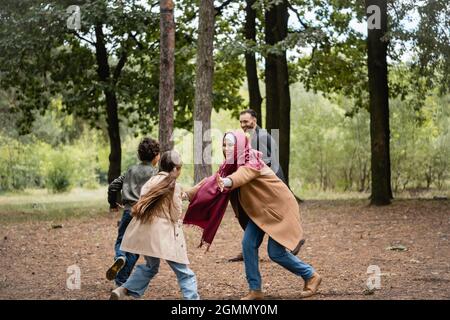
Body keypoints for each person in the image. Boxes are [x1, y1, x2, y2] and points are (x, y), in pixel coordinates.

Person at [185, 130, 321, 300]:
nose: (226, 148)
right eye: (224, 144)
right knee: (248, 244)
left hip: (278, 209)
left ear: (240, 145)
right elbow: (211, 182)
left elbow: (244, 175)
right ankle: (255, 289)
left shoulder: (252, 160)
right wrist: (186, 194)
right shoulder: (229, 166)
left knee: (275, 252)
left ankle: (311, 275)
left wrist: (228, 182)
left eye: (231, 145)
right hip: (260, 212)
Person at [110, 151, 199, 300]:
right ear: (176, 169)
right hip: (164, 237)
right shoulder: (174, 185)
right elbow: (175, 216)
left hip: (147, 234)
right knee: (184, 273)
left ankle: (123, 289)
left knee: (150, 267)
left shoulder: (150, 181)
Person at [229, 109, 286, 262]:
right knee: (252, 215)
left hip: (269, 183)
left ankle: (290, 242)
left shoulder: (260, 137)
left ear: (254, 120)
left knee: (264, 216)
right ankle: (248, 248)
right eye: (241, 122)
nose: (243, 125)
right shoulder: (253, 135)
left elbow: (267, 162)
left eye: (246, 121)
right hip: (261, 183)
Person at [106, 137, 160, 286]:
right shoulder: (155, 174)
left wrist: (112, 203)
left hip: (129, 212)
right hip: (145, 215)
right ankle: (121, 281)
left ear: (139, 155)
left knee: (122, 241)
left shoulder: (130, 170)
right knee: (135, 249)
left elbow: (113, 186)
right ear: (156, 156)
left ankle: (120, 257)